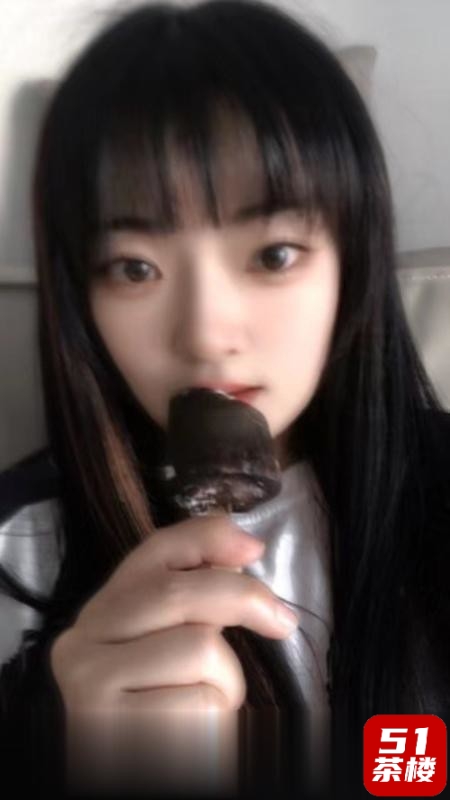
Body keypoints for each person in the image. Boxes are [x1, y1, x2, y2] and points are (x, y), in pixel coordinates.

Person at [1, 0, 449, 797]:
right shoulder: (17, 546)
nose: (206, 334)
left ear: (351, 264)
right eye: (134, 268)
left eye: (274, 254)